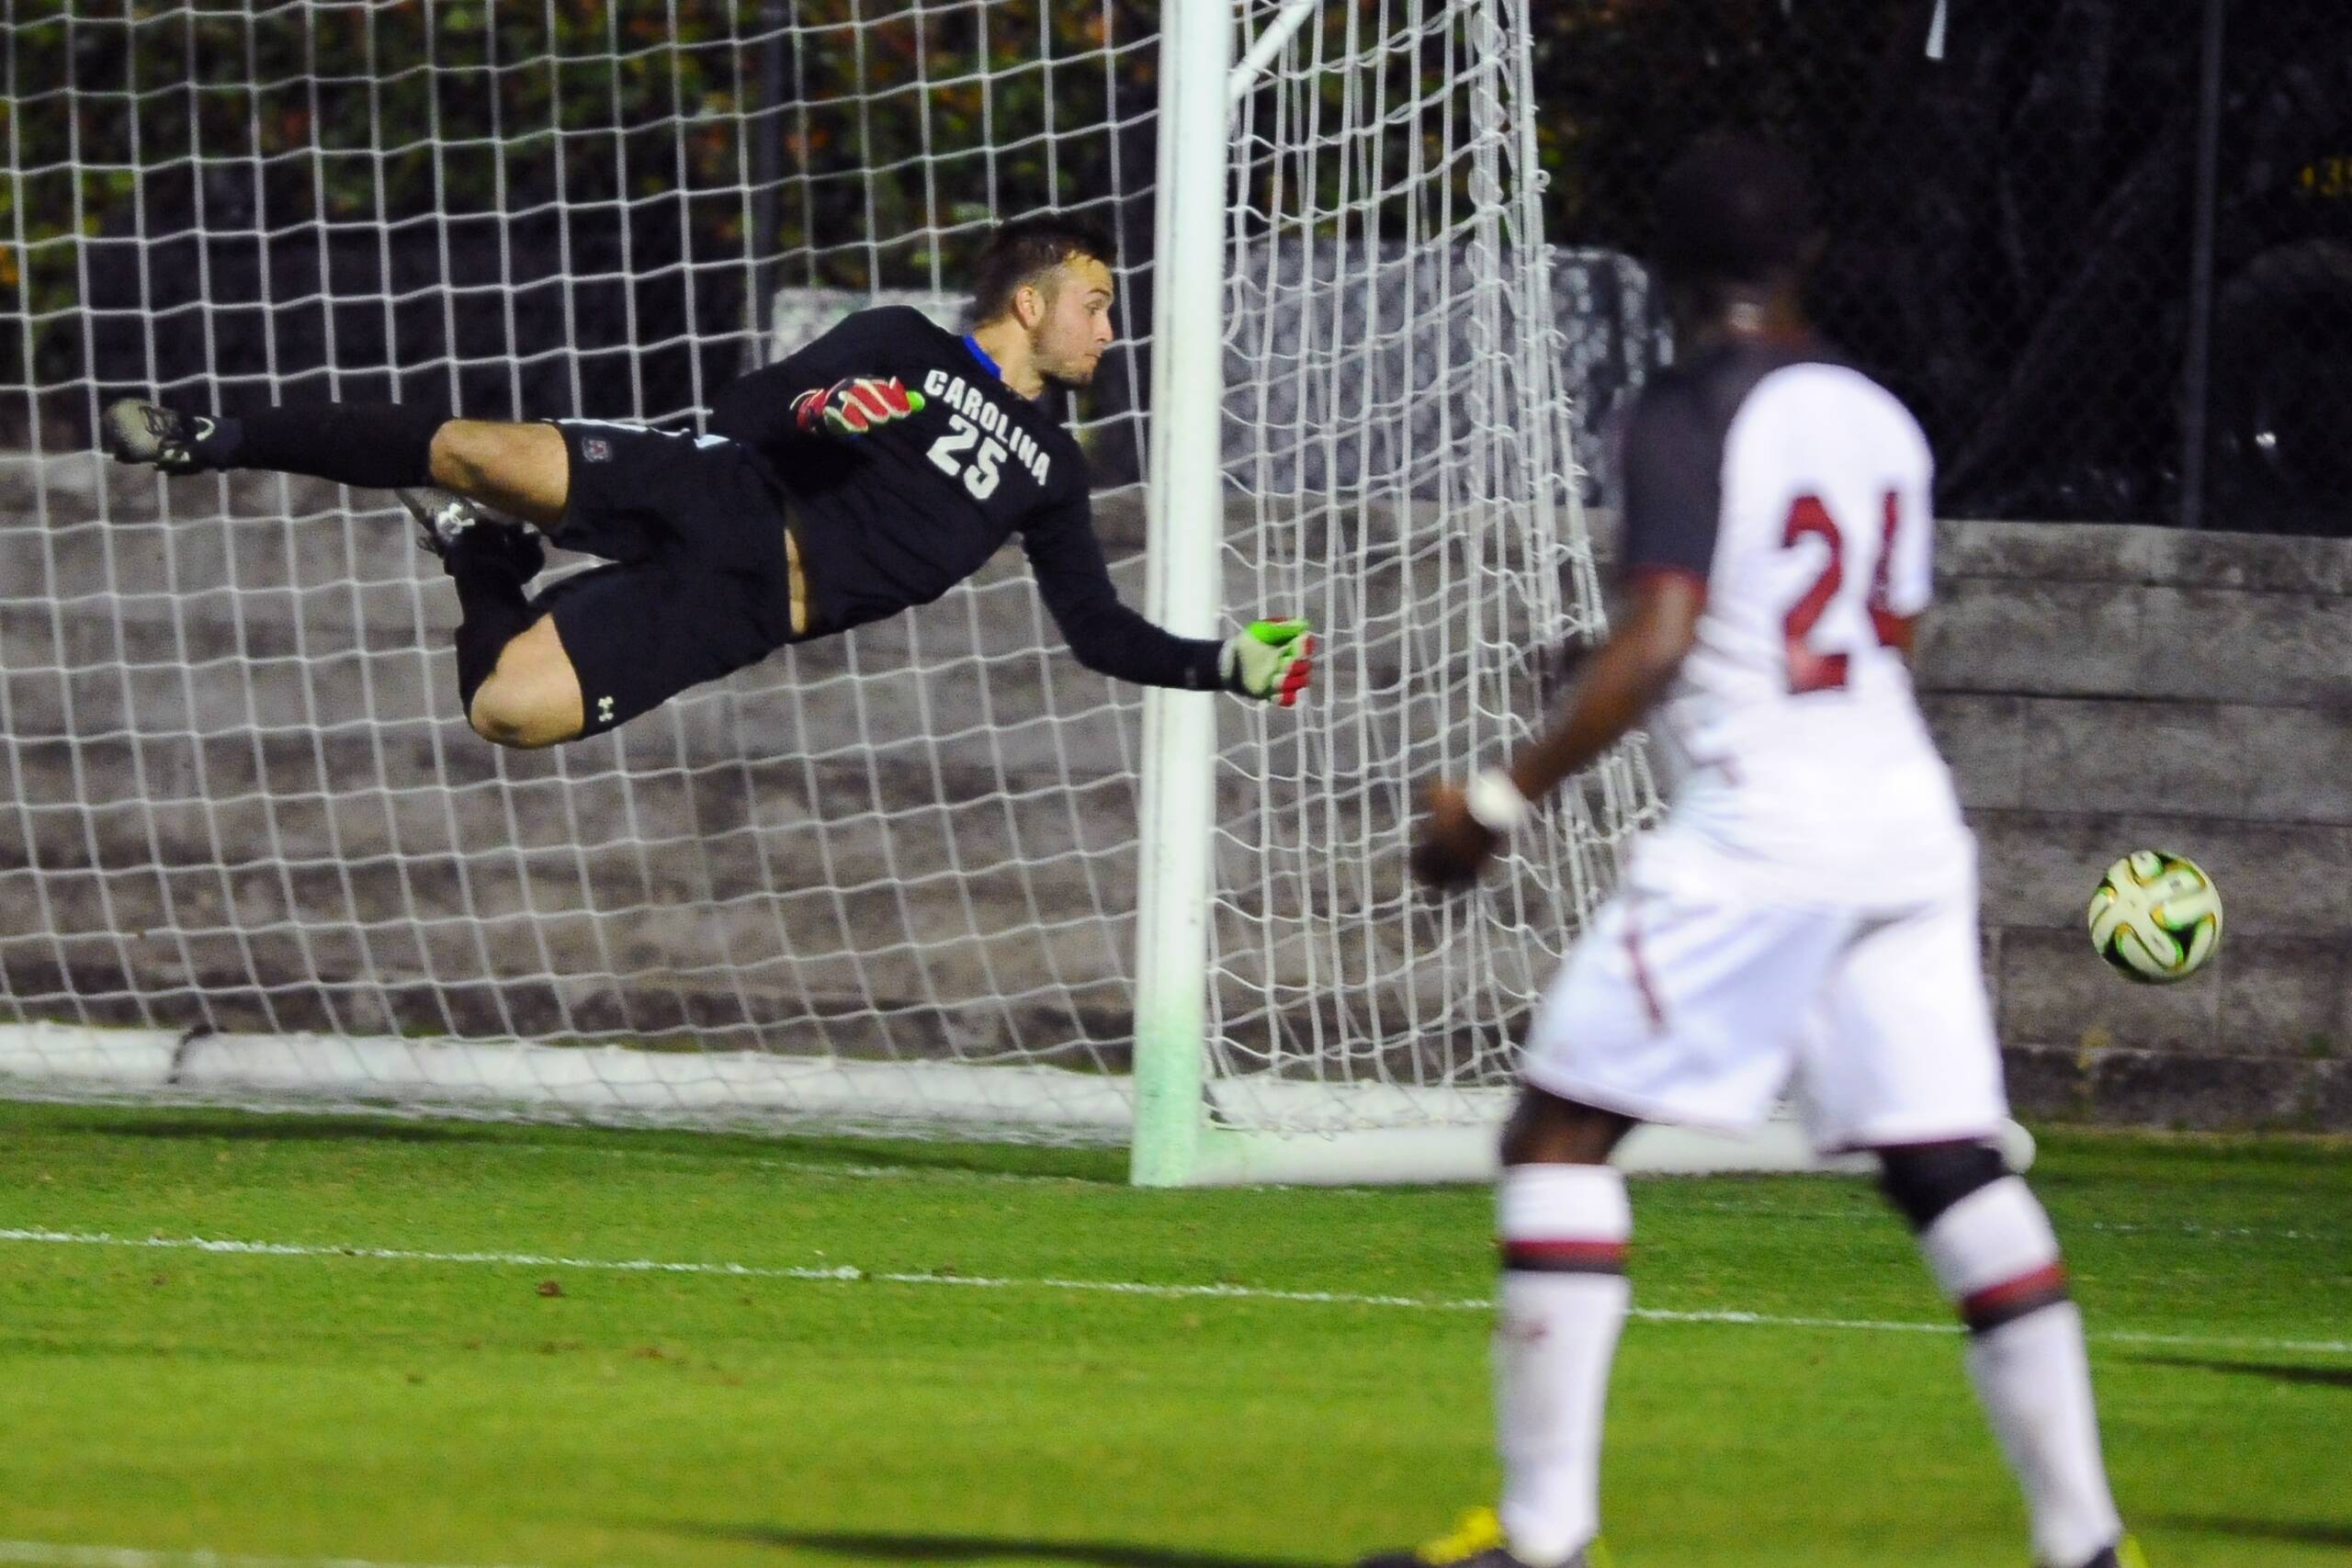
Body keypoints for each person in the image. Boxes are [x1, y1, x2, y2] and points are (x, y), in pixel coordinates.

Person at [1366, 141, 2140, 1568]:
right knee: (1948, 1170)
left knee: (1558, 1131)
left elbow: (1668, 637)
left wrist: (1498, 795)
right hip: (1902, 823)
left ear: (1665, 270)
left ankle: (1540, 1538)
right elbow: (1868, 633)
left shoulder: (1686, 406)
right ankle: (2088, 1543)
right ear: (1814, 254)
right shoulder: (1880, 414)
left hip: (1762, 835)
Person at [102, 213, 1313, 747]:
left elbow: (1095, 630)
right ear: (1033, 299)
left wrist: (1229, 663)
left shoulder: (1053, 468)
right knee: (481, 445)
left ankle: (480, 556)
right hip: (720, 492)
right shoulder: (901, 340)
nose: (1110, 327)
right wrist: (824, 409)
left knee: (506, 710)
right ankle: (216, 434)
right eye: (1097, 302)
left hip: (746, 608)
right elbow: (746, 407)